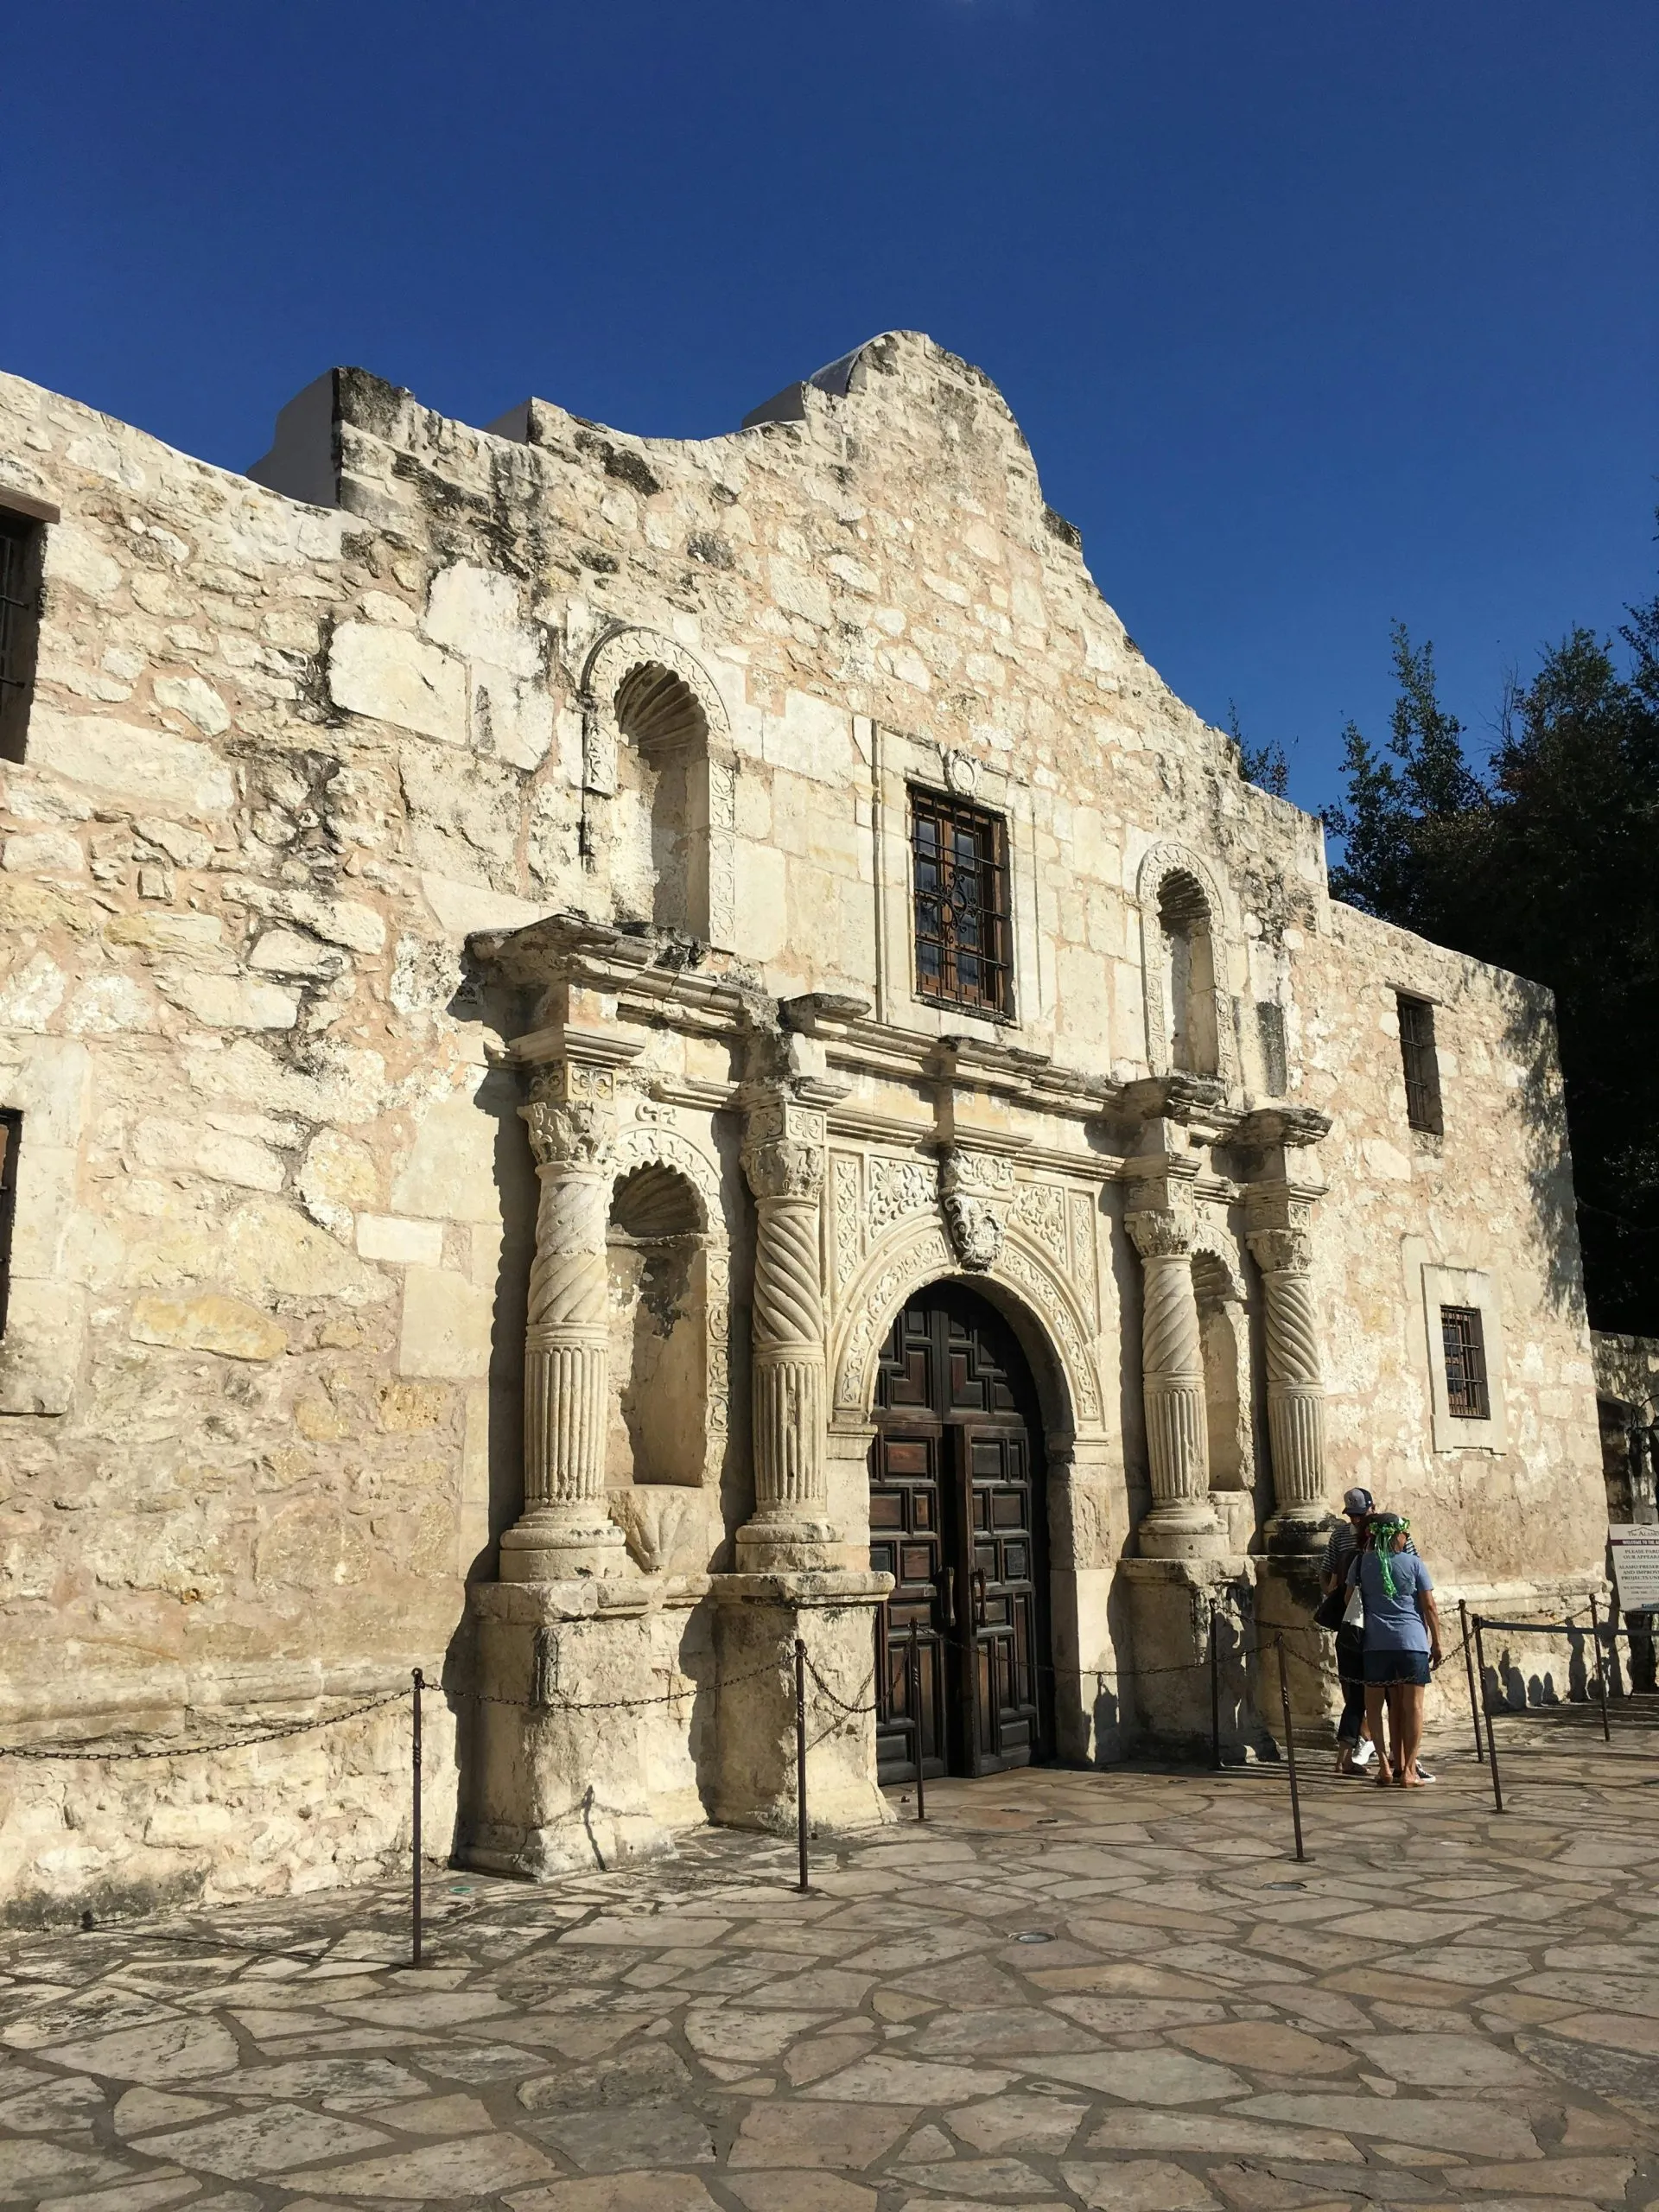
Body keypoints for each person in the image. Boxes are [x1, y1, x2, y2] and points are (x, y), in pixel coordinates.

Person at [1347, 1510, 1443, 1786]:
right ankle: (1410, 1770)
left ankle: (1384, 1767)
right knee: (1414, 1705)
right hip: (1411, 1642)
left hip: (1375, 1644)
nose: (1405, 1538)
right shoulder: (1414, 1563)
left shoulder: (1361, 1563)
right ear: (1395, 1535)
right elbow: (1429, 1606)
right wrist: (1436, 1642)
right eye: (1403, 1534)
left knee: (1374, 1707)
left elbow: (1348, 1599)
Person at [1320, 1487, 1376, 1776]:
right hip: (1356, 1625)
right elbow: (1326, 1571)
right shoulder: (1341, 1537)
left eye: (1359, 1515)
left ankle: (1364, 1748)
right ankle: (1372, 1749)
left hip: (1365, 1625)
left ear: (1372, 1509)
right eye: (1351, 1515)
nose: (1355, 1521)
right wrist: (1330, 1594)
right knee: (1359, 1694)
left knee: (1362, 1695)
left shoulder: (1386, 1536)